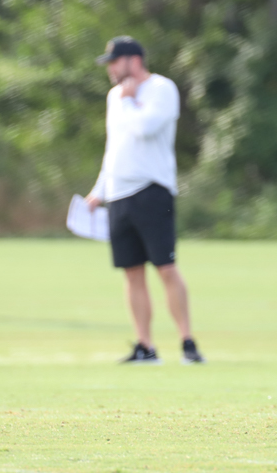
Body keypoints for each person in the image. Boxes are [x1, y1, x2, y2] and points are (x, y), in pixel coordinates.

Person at [84, 36, 205, 365]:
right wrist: (100, 190)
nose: (110, 68)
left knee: (165, 267)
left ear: (133, 60)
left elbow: (146, 128)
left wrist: (128, 101)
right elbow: (115, 146)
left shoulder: (161, 88)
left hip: (152, 190)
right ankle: (145, 345)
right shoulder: (116, 97)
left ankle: (187, 342)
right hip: (119, 194)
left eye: (114, 61)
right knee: (131, 272)